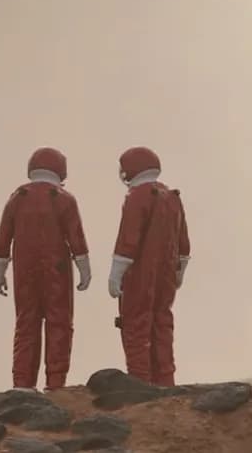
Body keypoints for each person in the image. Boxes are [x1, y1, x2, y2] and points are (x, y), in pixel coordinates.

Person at [0, 146, 93, 392]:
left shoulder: (18, 197)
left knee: (27, 322)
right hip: (57, 268)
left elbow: (3, 237)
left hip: (24, 269)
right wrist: (84, 268)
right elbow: (76, 237)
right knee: (59, 322)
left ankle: (22, 383)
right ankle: (55, 383)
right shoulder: (64, 199)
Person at [106, 145, 191, 387]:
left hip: (139, 275)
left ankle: (140, 383)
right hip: (166, 276)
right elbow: (183, 243)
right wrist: (179, 272)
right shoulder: (172, 197)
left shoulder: (137, 197)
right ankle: (166, 380)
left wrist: (116, 274)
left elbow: (128, 240)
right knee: (162, 324)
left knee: (135, 325)